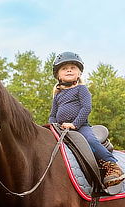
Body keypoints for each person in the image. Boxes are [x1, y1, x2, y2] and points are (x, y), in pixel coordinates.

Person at [49, 51, 125, 188]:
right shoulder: (58, 95)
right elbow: (53, 114)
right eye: (64, 68)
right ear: (58, 75)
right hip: (61, 130)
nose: (69, 70)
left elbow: (86, 108)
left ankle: (112, 165)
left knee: (90, 140)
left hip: (81, 127)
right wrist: (51, 127)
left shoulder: (81, 89)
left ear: (79, 73)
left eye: (73, 68)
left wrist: (74, 124)